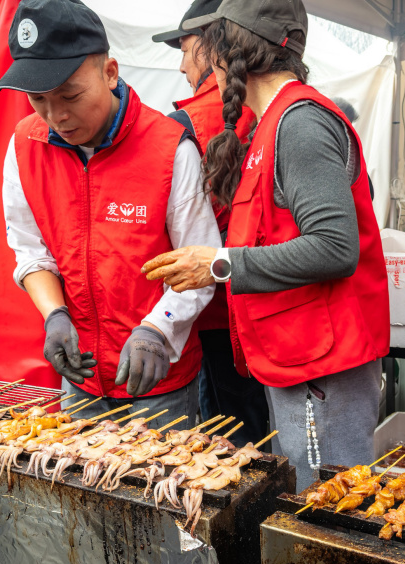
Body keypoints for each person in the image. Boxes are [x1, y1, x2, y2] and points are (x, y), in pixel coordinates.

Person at [0, 0, 219, 564]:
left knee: (163, 508)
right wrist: (53, 315)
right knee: (90, 500)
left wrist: (159, 326)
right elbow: (29, 249)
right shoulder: (26, 145)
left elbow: (201, 261)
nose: (55, 115)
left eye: (69, 95)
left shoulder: (169, 147)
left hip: (160, 376)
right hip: (82, 370)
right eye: (39, 99)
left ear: (111, 71)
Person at [141, 0, 391, 490]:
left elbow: (334, 246)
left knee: (326, 506)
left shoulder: (299, 123)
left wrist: (218, 265)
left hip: (323, 366)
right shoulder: (271, 122)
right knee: (304, 498)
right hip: (299, 358)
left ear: (225, 52)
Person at [153, 0, 269, 448]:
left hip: (217, 312)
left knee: (229, 444)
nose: (181, 65)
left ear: (210, 45)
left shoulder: (184, 126)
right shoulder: (268, 108)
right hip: (266, 304)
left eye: (185, 51)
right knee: (263, 434)